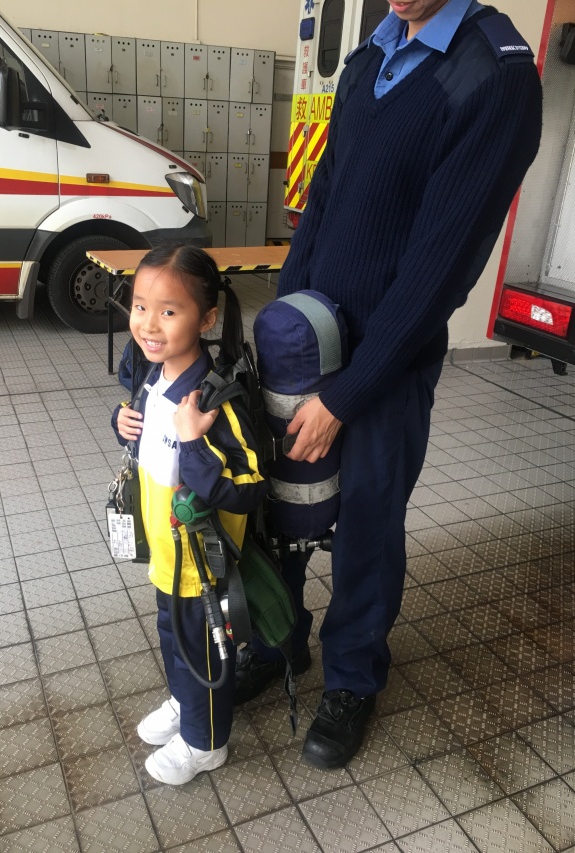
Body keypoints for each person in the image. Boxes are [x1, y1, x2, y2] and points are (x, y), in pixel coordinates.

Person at [234, 0, 543, 769]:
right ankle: (277, 641)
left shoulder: (494, 74)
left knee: (368, 525)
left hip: (386, 362)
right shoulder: (370, 56)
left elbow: (442, 265)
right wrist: (286, 323)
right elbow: (324, 197)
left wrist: (347, 393)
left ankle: (352, 678)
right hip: (308, 341)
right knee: (283, 503)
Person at [111, 244, 267, 785]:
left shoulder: (216, 399)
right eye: (140, 306)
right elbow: (149, 440)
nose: (149, 324)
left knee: (202, 650)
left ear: (207, 319)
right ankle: (185, 702)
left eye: (169, 311)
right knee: (174, 636)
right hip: (166, 553)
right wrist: (121, 423)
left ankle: (206, 743)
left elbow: (248, 487)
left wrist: (196, 444)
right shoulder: (150, 376)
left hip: (203, 564)